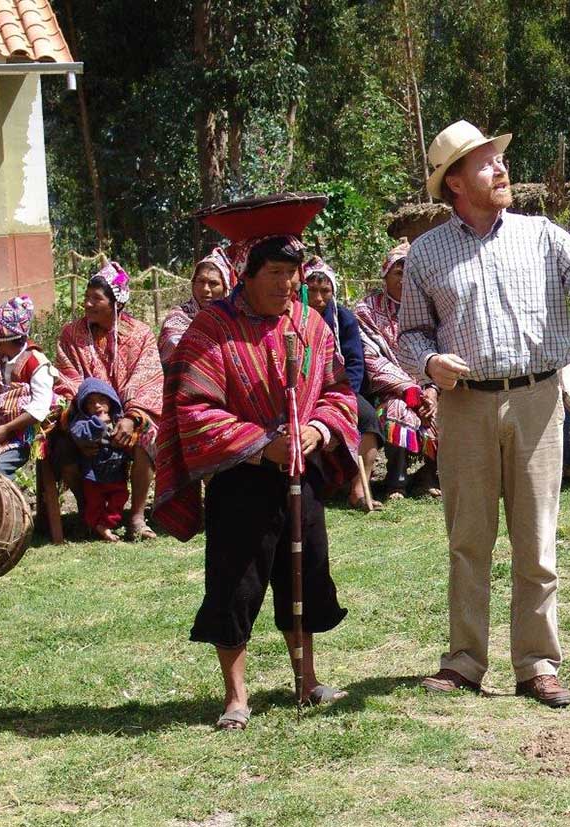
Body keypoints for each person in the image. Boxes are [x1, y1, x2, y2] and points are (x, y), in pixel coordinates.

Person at [397, 120, 570, 707]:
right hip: (464, 406)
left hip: (538, 399)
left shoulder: (542, 235)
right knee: (468, 541)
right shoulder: (426, 253)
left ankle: (536, 665)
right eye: (484, 163)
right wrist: (429, 364)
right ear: (453, 183)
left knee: (536, 541)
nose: (500, 169)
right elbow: (409, 333)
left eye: (498, 160)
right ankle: (463, 661)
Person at [154, 194, 359, 730]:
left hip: (301, 474)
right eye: (274, 272)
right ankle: (236, 698)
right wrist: (260, 442)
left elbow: (338, 388)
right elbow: (193, 406)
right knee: (237, 584)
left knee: (305, 577)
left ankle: (307, 680)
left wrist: (318, 428)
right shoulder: (212, 329)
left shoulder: (311, 325)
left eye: (293, 273)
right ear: (245, 275)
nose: (286, 284)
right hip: (240, 480)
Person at [53, 262, 163, 540]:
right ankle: (88, 513)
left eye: (96, 298)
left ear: (116, 302)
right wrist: (83, 423)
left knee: (148, 436)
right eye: (86, 297)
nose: (87, 304)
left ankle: (136, 517)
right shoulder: (71, 335)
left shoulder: (140, 334)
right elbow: (66, 381)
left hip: (127, 418)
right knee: (62, 444)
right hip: (86, 417)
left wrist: (130, 417)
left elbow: (148, 378)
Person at [355, 241, 440, 500]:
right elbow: (371, 359)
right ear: (385, 274)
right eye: (398, 273)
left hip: (431, 386)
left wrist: (432, 390)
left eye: (411, 273)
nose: (405, 280)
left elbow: (443, 349)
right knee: (396, 410)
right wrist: (409, 389)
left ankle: (431, 474)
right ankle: (397, 478)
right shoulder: (366, 310)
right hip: (390, 390)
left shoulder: (432, 307)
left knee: (452, 411)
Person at [303, 255, 385, 511]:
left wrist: (344, 398)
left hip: (339, 389)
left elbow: (355, 363)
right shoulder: (291, 316)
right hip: (302, 391)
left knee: (370, 418)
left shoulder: (344, 319)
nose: (318, 298)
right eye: (312, 290)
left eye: (325, 291)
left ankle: (360, 489)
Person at [0, 296, 57, 478]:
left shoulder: (36, 364)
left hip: (22, 435)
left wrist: (6, 429)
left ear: (3, 338)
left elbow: (39, 408)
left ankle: (6, 504)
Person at [68, 378, 130, 543]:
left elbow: (131, 435)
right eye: (91, 403)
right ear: (84, 406)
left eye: (102, 400)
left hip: (116, 472)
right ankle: (97, 525)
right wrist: (97, 423)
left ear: (111, 401)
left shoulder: (119, 419)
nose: (97, 406)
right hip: (93, 475)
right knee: (94, 502)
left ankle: (108, 522)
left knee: (120, 497)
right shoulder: (82, 422)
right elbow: (79, 434)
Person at [158, 249, 231, 363]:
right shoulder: (177, 317)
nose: (205, 289)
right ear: (193, 283)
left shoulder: (234, 319)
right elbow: (171, 345)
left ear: (225, 287)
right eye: (201, 281)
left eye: (213, 283)